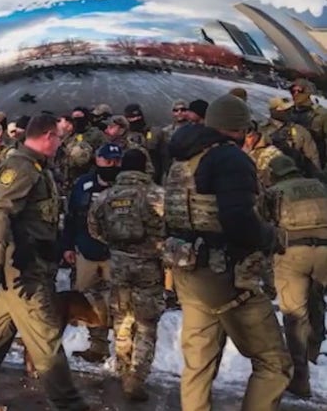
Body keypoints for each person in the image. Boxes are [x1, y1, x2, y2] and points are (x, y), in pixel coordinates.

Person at [165, 94, 291, 410]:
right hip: (226, 274)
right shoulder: (231, 159)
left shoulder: (184, 158)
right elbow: (237, 219)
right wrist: (270, 236)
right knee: (273, 362)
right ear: (240, 128)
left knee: (198, 364)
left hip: (189, 269)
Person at [0, 115, 88, 411]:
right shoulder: (22, 167)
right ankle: (70, 405)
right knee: (46, 339)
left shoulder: (37, 167)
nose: (60, 145)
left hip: (30, 262)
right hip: (22, 268)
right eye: (59, 138)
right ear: (48, 135)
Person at [87, 149, 165, 402]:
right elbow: (171, 226)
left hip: (118, 262)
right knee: (146, 322)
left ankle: (122, 366)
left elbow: (94, 227)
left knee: (122, 315)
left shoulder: (106, 196)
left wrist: (115, 244)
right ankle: (137, 376)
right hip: (148, 264)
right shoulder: (156, 195)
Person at [263, 155, 327, 398]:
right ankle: (313, 352)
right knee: (317, 302)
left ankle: (300, 378)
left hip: (293, 253)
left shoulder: (275, 191)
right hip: (324, 252)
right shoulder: (320, 186)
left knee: (294, 315)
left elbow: (264, 224)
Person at [61, 143, 123, 364]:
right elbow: (71, 217)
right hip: (86, 251)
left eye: (116, 162)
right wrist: (67, 246)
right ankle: (97, 346)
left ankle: (123, 352)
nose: (112, 165)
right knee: (88, 300)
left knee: (119, 301)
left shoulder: (125, 185)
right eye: (108, 161)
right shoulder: (83, 184)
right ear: (98, 160)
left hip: (114, 253)